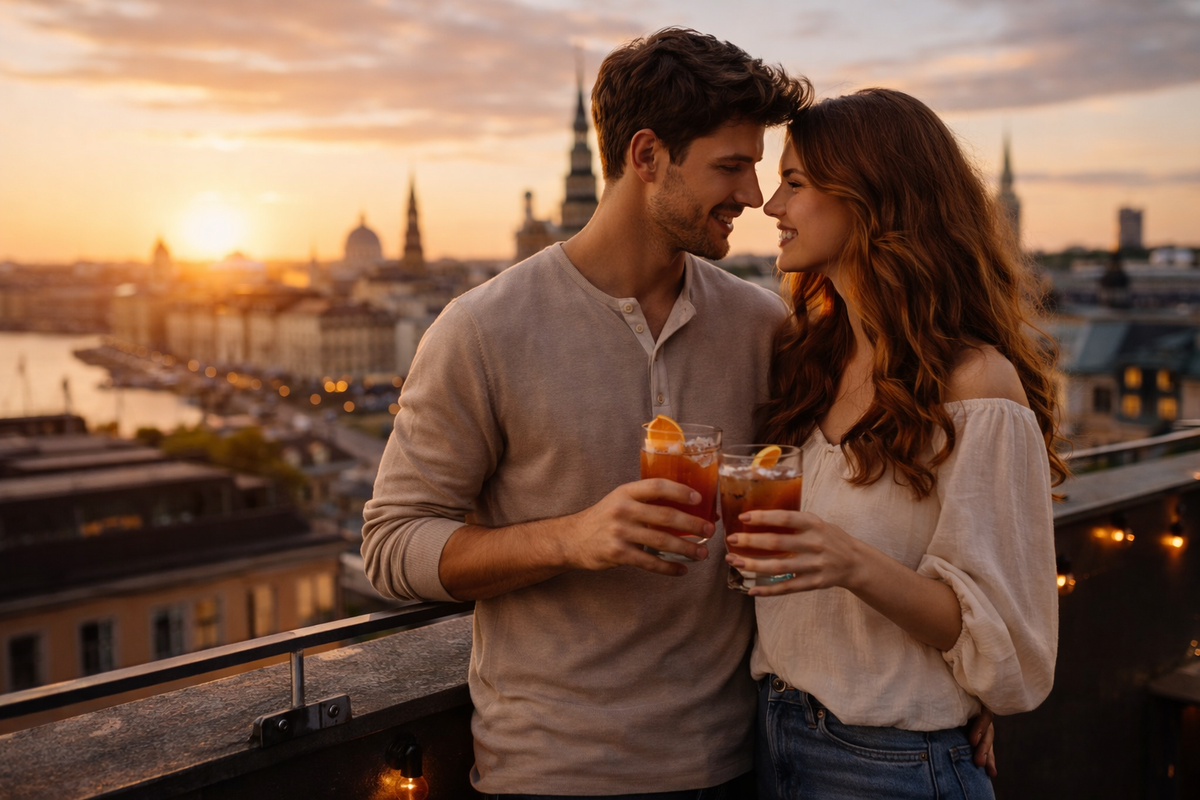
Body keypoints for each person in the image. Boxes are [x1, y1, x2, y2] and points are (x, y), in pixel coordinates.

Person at [362, 28, 807, 798]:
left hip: (738, 762)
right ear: (646, 157)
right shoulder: (482, 329)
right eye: (731, 167)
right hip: (551, 774)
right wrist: (573, 537)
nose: (753, 197)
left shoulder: (762, 326)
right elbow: (393, 547)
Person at [728, 88, 1065, 800]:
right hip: (770, 737)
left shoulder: (975, 385)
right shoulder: (808, 359)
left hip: (891, 767)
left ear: (869, 196)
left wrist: (849, 560)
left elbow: (1003, 634)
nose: (770, 206)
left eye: (794, 182)